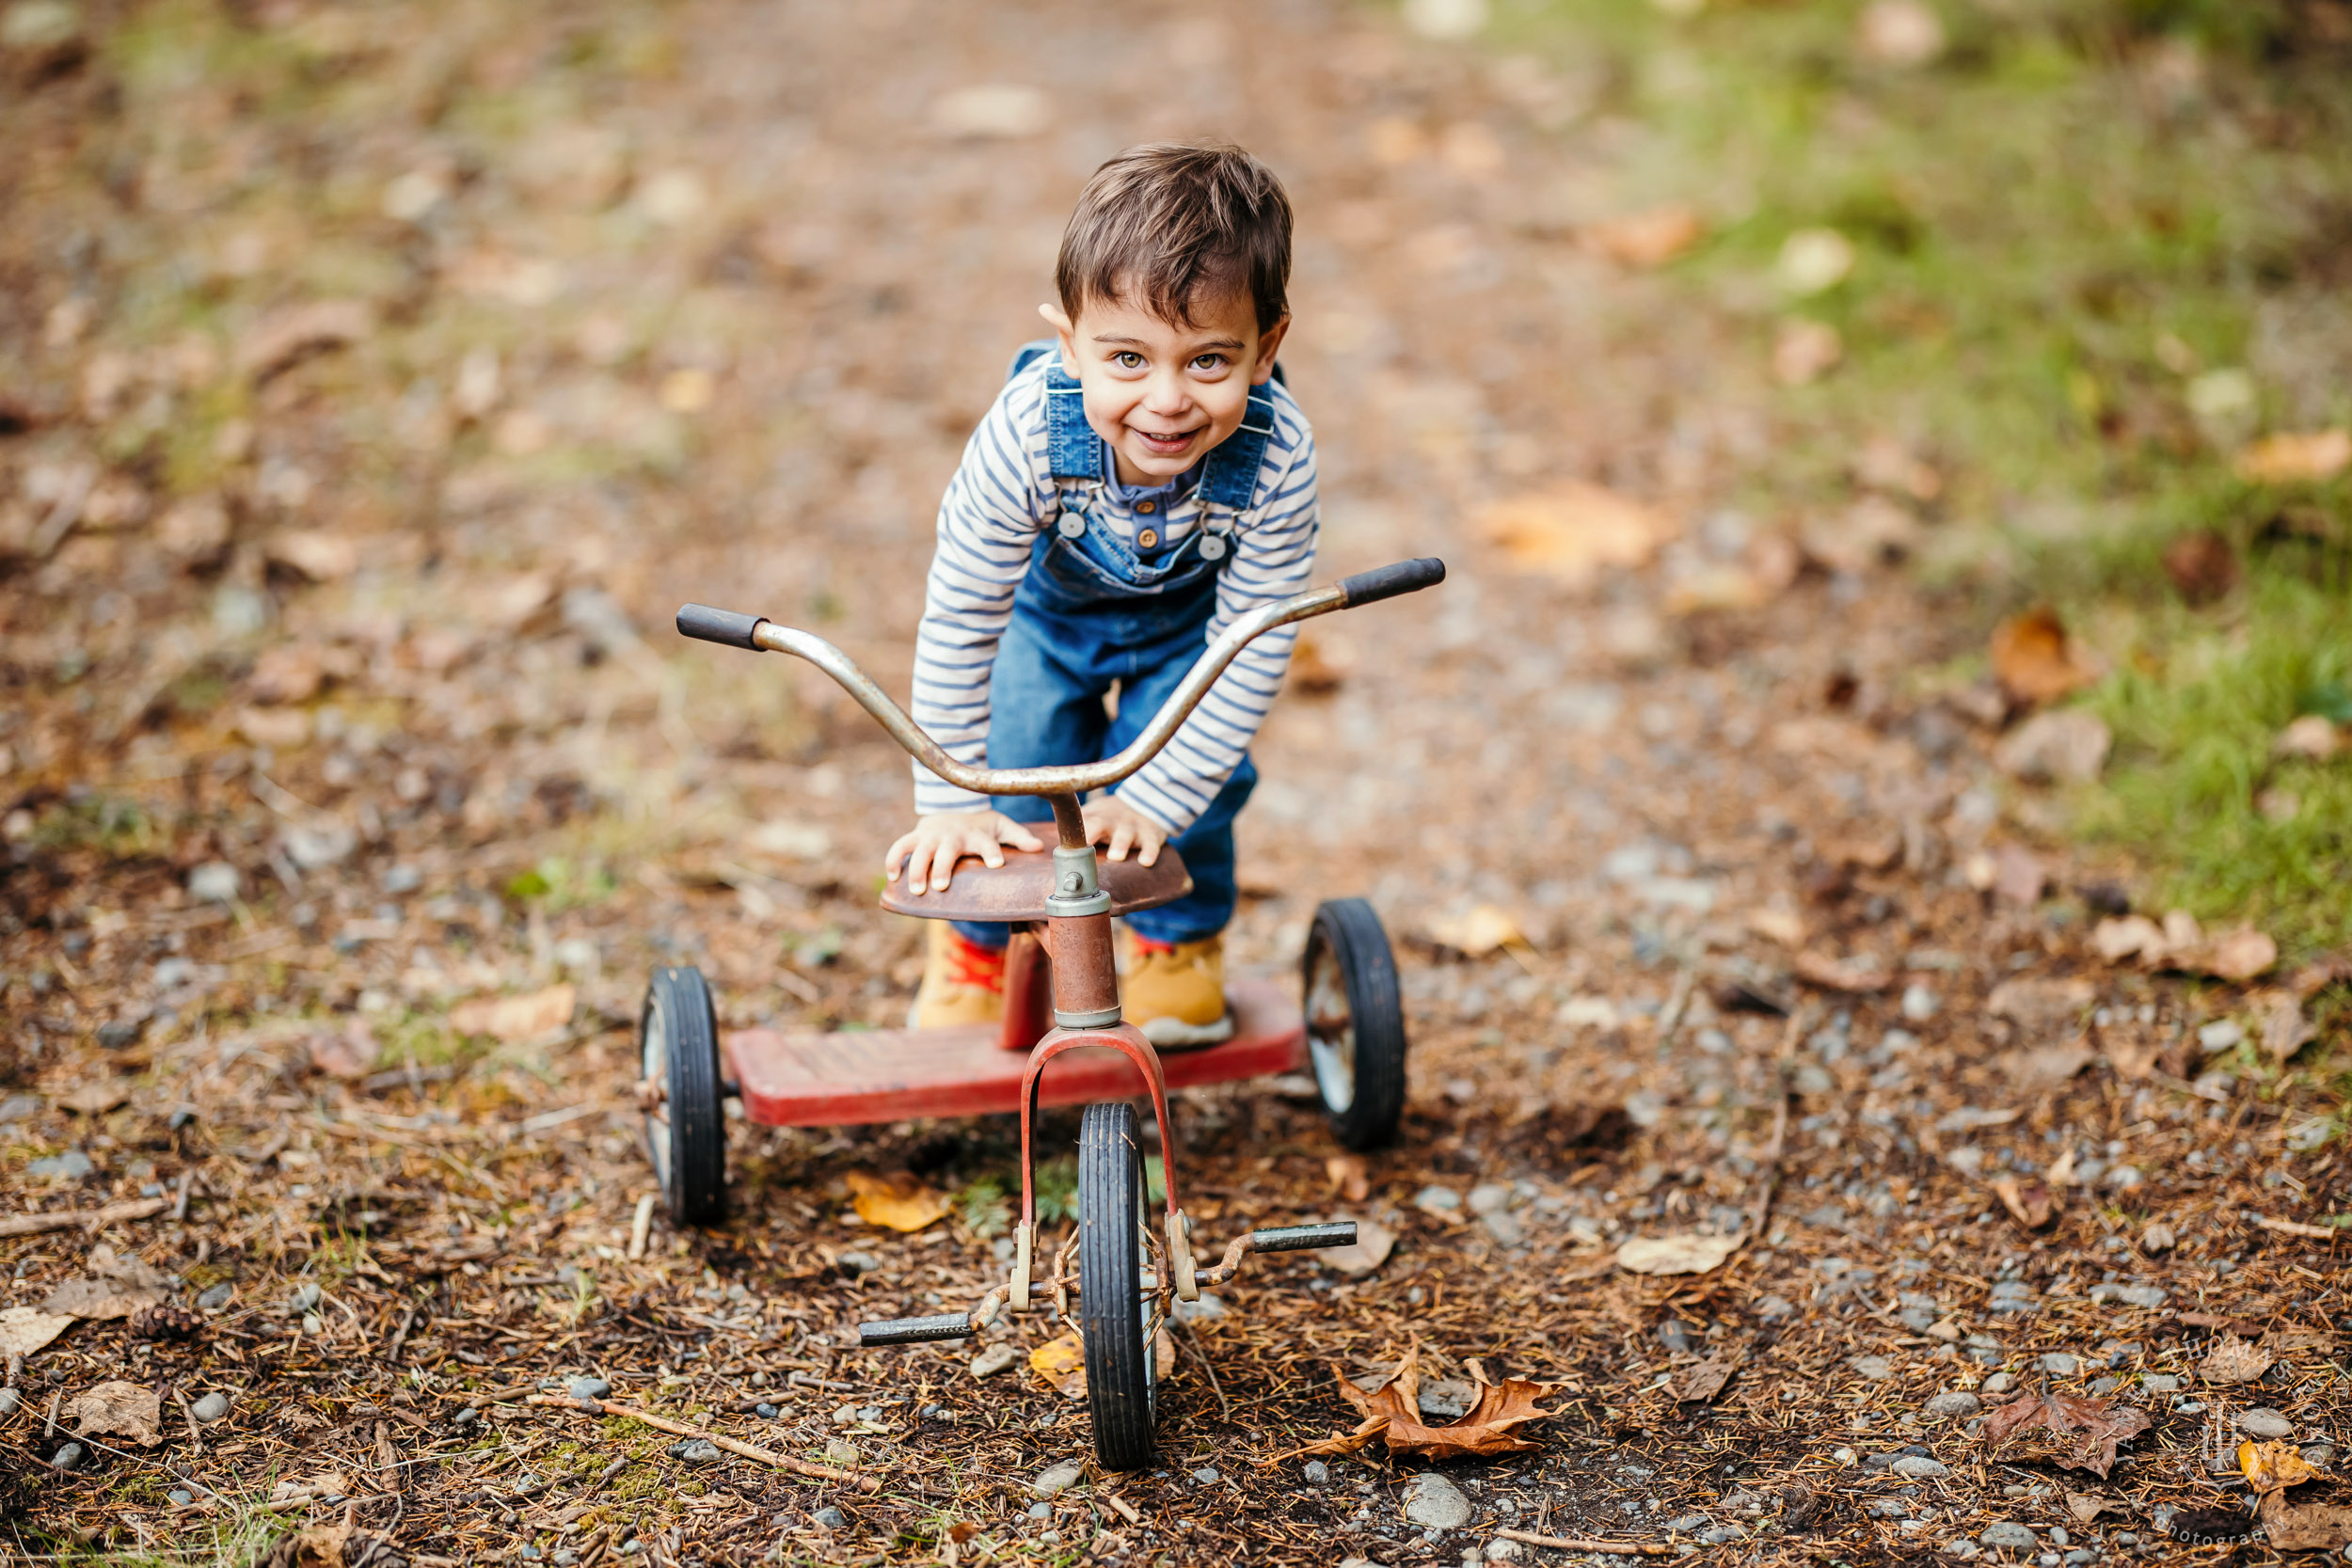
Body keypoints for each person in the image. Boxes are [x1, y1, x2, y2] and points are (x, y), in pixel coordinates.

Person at [882, 142, 1318, 1047]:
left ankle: (1175, 946)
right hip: (1046, 624)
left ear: (1267, 348)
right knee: (1021, 765)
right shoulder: (1023, 437)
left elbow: (1253, 641)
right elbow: (963, 616)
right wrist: (948, 800)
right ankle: (981, 950)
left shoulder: (1279, 457)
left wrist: (1157, 795)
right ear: (1068, 342)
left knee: (1199, 787)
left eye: (1208, 361)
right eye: (1126, 357)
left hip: (1195, 639)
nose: (1166, 399)